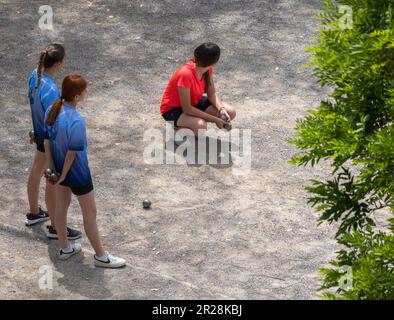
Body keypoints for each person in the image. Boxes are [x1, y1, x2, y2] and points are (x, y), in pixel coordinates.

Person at [44, 74, 126, 268]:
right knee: (90, 212)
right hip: (77, 173)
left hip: (56, 168)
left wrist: (51, 169)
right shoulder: (77, 120)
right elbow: (72, 155)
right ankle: (101, 256)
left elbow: (47, 141)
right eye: (85, 91)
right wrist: (64, 174)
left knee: (61, 207)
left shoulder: (52, 109)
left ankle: (65, 248)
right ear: (78, 96)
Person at [26, 43, 81, 240]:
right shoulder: (51, 90)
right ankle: (56, 228)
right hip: (51, 140)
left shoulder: (34, 75)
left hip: (40, 134)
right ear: (59, 63)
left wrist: (34, 129)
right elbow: (54, 119)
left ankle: (34, 212)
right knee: (53, 182)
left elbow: (36, 106)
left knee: (36, 171)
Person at [160, 42, 236, 135]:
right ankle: (177, 129)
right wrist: (215, 119)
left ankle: (192, 122)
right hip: (173, 109)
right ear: (215, 62)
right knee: (201, 128)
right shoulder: (186, 74)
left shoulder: (207, 69)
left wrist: (221, 109)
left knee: (230, 112)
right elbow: (187, 108)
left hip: (193, 102)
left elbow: (211, 93)